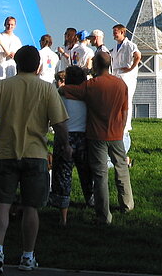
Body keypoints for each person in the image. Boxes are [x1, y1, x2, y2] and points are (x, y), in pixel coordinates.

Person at [0, 46, 70, 274]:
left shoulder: (3, 87)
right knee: (31, 208)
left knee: (2, 205)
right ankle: (28, 256)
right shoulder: (47, 89)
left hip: (5, 153)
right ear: (39, 66)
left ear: (16, 64)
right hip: (36, 155)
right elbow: (60, 124)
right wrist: (65, 146)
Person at [61, 51, 134, 225]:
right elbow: (124, 111)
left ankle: (103, 215)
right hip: (116, 134)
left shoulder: (91, 85)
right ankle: (127, 204)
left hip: (96, 135)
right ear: (109, 64)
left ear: (95, 65)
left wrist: (61, 88)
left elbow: (71, 91)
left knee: (100, 175)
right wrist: (121, 129)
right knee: (121, 168)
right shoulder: (121, 84)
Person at [48, 65, 93, 225]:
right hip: (83, 137)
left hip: (64, 137)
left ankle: (63, 216)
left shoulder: (61, 96)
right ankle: (91, 201)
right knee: (87, 173)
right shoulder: (87, 96)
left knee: (62, 175)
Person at [110, 24, 141, 134]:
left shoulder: (130, 45)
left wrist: (131, 68)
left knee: (127, 100)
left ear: (122, 32)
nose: (114, 34)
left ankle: (126, 125)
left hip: (127, 76)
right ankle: (118, 122)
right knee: (117, 100)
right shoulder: (115, 48)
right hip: (116, 74)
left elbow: (138, 56)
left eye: (115, 32)